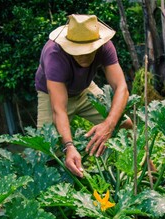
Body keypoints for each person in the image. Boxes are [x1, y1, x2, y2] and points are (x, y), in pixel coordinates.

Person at [35, 14, 133, 178]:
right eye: (78, 51)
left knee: (125, 124)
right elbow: (59, 109)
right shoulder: (54, 54)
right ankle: (57, 195)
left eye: (90, 50)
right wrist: (69, 146)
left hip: (84, 89)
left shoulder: (105, 46)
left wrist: (109, 124)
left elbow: (121, 87)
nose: (85, 55)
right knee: (45, 153)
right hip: (52, 95)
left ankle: (149, 172)